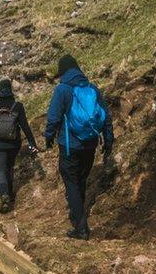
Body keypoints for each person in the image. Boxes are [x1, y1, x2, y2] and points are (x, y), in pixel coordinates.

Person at [44, 55, 114, 240]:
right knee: (81, 180)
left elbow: (54, 117)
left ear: (63, 72)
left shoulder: (63, 90)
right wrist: (108, 140)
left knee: (72, 183)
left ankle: (81, 227)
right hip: (90, 144)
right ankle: (77, 214)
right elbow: (106, 116)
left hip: (70, 146)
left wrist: (48, 137)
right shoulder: (92, 88)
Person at [0, 79, 38, 213]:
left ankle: (4, 194)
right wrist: (32, 142)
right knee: (9, 166)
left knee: (0, 169)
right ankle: (10, 193)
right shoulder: (17, 106)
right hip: (13, 143)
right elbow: (24, 126)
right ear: (10, 90)